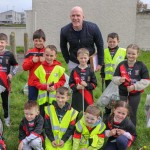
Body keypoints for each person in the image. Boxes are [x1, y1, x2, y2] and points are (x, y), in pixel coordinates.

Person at [112, 44, 150, 126]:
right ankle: (120, 127)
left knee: (132, 112)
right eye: (129, 53)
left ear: (137, 54)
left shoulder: (141, 65)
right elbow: (114, 77)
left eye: (133, 54)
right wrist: (119, 80)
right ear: (126, 53)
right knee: (121, 111)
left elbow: (146, 80)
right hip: (122, 92)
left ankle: (131, 130)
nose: (131, 55)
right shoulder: (121, 64)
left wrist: (134, 87)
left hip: (135, 93)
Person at [60, 6, 104, 73]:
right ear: (70, 17)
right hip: (74, 62)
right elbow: (63, 46)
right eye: (73, 15)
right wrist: (68, 60)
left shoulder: (93, 28)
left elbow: (100, 44)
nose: (75, 18)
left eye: (78, 15)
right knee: (74, 83)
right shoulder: (64, 30)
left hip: (89, 63)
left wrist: (100, 63)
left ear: (83, 17)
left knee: (89, 83)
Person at [33, 45, 66, 117]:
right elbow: (35, 82)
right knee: (42, 114)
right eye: (47, 55)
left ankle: (51, 127)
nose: (49, 57)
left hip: (54, 97)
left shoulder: (59, 68)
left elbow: (62, 80)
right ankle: (42, 127)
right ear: (44, 54)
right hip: (43, 98)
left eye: (51, 56)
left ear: (55, 56)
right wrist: (45, 87)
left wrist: (55, 86)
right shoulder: (40, 68)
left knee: (53, 115)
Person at [100, 32, 126, 118]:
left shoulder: (123, 51)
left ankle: (117, 112)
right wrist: (102, 74)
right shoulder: (104, 52)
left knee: (118, 96)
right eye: (110, 42)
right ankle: (107, 112)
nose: (112, 44)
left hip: (120, 79)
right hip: (108, 78)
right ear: (107, 41)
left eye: (114, 42)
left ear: (118, 41)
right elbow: (103, 64)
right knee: (108, 96)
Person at [0, 33, 18, 127]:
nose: (0, 44)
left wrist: (11, 74)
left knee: (5, 102)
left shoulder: (9, 54)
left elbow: (15, 65)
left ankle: (7, 120)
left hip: (5, 83)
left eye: (2, 42)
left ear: (6, 43)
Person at [22, 29, 46, 101]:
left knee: (44, 102)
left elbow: (54, 66)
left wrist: (44, 62)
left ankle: (42, 112)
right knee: (32, 102)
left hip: (44, 82)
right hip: (32, 82)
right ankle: (32, 112)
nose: (38, 43)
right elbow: (24, 67)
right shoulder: (29, 52)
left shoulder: (47, 51)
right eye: (36, 40)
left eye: (40, 41)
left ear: (44, 41)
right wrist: (32, 61)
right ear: (33, 41)